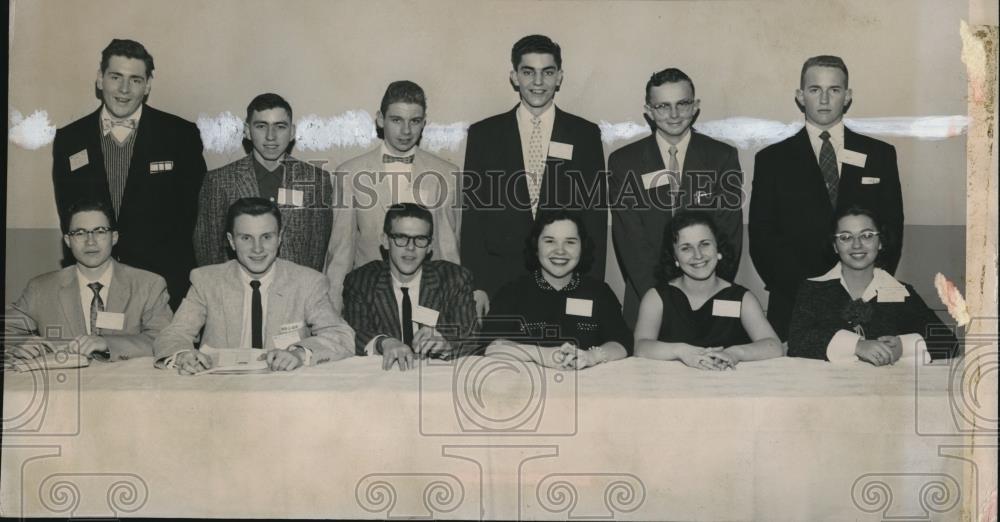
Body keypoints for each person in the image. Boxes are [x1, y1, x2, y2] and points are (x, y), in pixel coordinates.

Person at [749, 55, 904, 341]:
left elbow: (891, 230)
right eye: (814, 89)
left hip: (864, 301)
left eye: (834, 90)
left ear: (847, 97)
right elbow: (763, 240)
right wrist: (811, 294)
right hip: (795, 301)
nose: (824, 99)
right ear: (800, 96)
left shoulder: (879, 155)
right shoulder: (772, 160)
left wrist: (863, 288)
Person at [51, 39, 207, 311]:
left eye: (135, 80)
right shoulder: (70, 139)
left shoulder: (180, 136)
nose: (124, 89)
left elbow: (193, 217)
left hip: (163, 285)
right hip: (93, 283)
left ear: (147, 85)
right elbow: (69, 214)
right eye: (115, 77)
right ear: (100, 80)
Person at [462, 34, 608, 320]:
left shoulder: (585, 135)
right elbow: (472, 217)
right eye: (528, 72)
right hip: (499, 279)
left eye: (547, 72)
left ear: (559, 78)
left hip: (565, 277)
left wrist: (591, 286)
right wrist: (477, 285)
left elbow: (595, 218)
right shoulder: (484, 135)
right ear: (515, 77)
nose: (538, 82)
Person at [153, 198, 355, 374]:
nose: (257, 249)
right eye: (246, 238)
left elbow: (341, 336)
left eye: (266, 237)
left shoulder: (307, 282)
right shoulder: (207, 281)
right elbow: (174, 333)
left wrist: (300, 353)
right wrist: (182, 355)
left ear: (280, 237)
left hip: (285, 392)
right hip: (221, 392)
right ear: (232, 241)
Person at [609, 68, 743, 327]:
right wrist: (662, 301)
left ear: (695, 106)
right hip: (647, 296)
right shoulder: (624, 162)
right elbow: (630, 239)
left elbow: (729, 234)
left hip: (709, 295)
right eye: (663, 106)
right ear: (648, 110)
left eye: (682, 104)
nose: (673, 114)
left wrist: (707, 292)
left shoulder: (722, 157)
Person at [193, 93, 348, 300]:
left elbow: (319, 248)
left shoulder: (316, 181)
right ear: (247, 131)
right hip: (236, 299)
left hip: (297, 299)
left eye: (280, 126)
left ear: (292, 132)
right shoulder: (219, 181)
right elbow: (209, 251)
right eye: (261, 126)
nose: (271, 136)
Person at [328, 81, 461, 309]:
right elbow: (341, 251)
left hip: (428, 301)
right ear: (380, 119)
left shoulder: (447, 173)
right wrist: (332, 313)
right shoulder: (349, 173)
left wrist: (453, 306)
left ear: (424, 123)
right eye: (396, 120)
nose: (406, 131)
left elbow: (448, 248)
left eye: (415, 121)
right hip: (367, 300)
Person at [4, 199, 173, 361]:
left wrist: (107, 344)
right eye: (80, 233)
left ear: (114, 237)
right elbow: (7, 331)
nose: (90, 241)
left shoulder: (149, 285)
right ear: (68, 241)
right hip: (64, 387)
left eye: (100, 231)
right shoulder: (41, 289)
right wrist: (18, 344)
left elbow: (163, 340)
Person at [787, 206, 958, 365]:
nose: (857, 244)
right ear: (835, 246)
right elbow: (797, 342)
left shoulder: (901, 293)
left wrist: (902, 347)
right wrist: (857, 346)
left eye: (867, 235)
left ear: (880, 242)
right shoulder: (813, 289)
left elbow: (948, 342)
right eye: (845, 237)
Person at [483, 210, 630, 370]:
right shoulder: (512, 292)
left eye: (570, 242)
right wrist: (543, 355)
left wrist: (591, 356)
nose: (560, 250)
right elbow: (491, 346)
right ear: (536, 246)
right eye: (549, 241)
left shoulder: (600, 292)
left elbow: (622, 343)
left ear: (582, 247)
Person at [633, 212, 782, 369]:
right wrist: (681, 351)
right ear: (674, 258)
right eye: (686, 248)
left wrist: (735, 353)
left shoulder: (741, 298)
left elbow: (774, 346)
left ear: (718, 247)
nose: (698, 255)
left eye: (704, 244)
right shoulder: (656, 298)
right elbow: (640, 347)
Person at [343, 203, 477, 371]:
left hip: (435, 378)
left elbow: (471, 337)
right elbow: (353, 333)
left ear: (430, 246)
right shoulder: (362, 281)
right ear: (385, 240)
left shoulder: (453, 278)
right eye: (401, 237)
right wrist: (383, 342)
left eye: (420, 239)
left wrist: (446, 343)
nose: (410, 247)